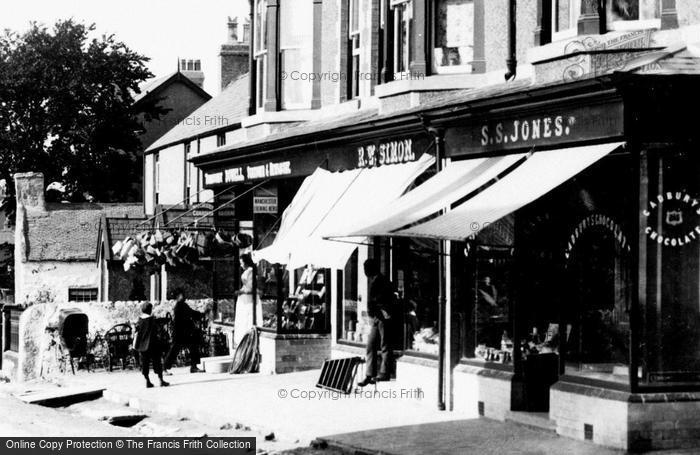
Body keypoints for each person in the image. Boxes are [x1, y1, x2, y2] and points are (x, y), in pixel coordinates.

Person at [358, 258, 394, 387]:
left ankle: (384, 373)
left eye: (366, 268)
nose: (365, 272)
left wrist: (378, 307)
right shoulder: (374, 280)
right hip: (376, 317)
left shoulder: (382, 280)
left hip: (383, 316)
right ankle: (369, 374)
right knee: (371, 344)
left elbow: (385, 298)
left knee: (385, 344)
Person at [163, 289, 204, 374]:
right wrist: (200, 315)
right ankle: (164, 368)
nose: (184, 296)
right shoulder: (179, 306)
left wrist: (201, 314)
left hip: (185, 332)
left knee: (193, 347)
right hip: (180, 333)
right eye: (182, 295)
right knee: (174, 350)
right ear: (178, 297)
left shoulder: (183, 305)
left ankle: (194, 367)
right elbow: (191, 314)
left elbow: (192, 313)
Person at [133, 302, 169, 388]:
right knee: (157, 362)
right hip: (153, 344)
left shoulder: (139, 320)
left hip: (142, 346)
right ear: (150, 310)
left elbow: (137, 332)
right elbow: (156, 331)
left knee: (144, 364)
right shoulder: (152, 320)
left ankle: (147, 381)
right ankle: (161, 380)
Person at [233, 253, 263, 347]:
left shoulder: (251, 271)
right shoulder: (248, 271)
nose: (241, 265)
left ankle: (247, 339)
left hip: (249, 299)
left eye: (242, 263)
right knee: (244, 318)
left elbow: (251, 287)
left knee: (248, 318)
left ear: (246, 262)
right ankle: (244, 339)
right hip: (245, 298)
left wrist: (242, 291)